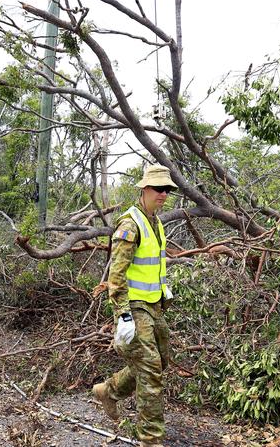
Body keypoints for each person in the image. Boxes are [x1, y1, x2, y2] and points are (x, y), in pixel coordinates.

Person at [92, 165, 178, 447]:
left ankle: (109, 390)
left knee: (160, 361)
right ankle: (151, 441)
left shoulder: (155, 222)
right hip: (135, 306)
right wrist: (123, 315)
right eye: (158, 189)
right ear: (144, 189)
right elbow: (116, 277)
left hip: (154, 306)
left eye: (166, 190)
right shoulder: (130, 224)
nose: (163, 195)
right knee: (151, 371)